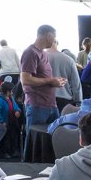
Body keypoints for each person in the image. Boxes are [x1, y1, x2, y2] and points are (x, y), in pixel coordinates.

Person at [21, 25, 67, 153]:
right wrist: (51, 81)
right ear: (49, 36)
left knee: (51, 141)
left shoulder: (42, 53)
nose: (54, 40)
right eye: (54, 37)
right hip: (37, 105)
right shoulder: (30, 52)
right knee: (33, 143)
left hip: (49, 104)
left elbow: (41, 78)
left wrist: (54, 81)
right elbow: (25, 79)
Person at [46, 39, 82, 109]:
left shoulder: (39, 58)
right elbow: (76, 84)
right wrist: (79, 102)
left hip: (44, 99)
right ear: (57, 43)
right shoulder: (69, 60)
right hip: (64, 101)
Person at [0, 81, 23, 158]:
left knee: (14, 136)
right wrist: (1, 121)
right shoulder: (0, 100)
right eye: (11, 91)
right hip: (5, 122)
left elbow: (15, 106)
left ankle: (14, 151)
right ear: (7, 91)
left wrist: (17, 111)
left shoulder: (11, 98)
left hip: (12, 121)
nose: (12, 93)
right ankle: (5, 152)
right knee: (6, 138)